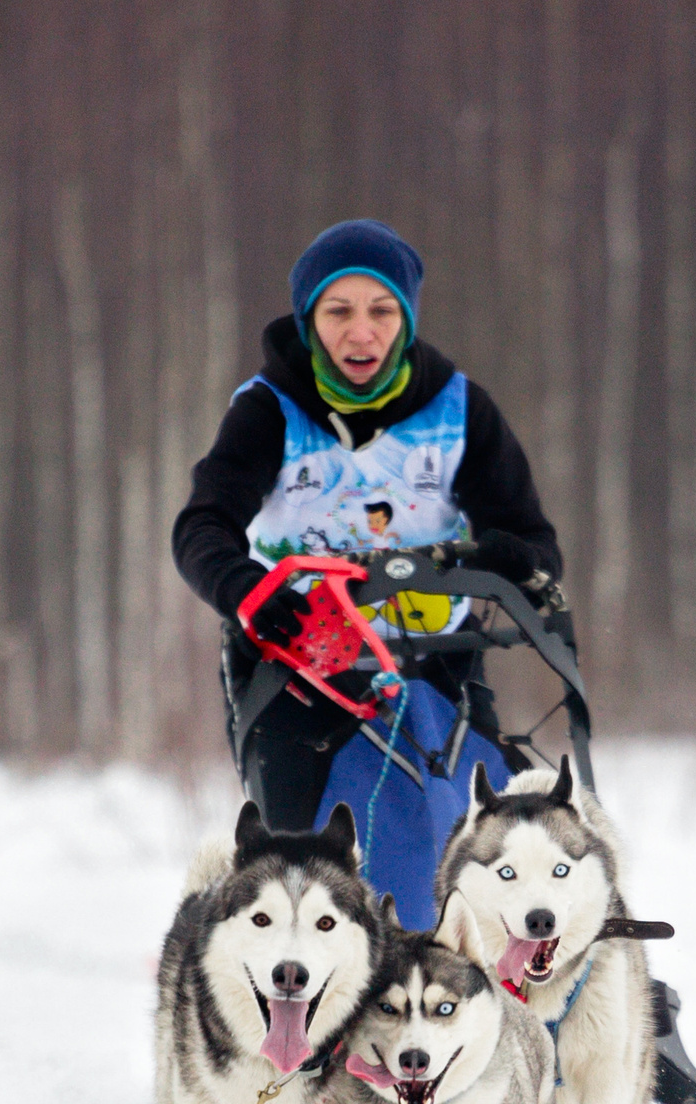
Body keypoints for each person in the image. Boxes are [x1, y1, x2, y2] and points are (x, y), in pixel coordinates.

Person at [172, 219, 564, 834]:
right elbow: (202, 527)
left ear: (407, 319)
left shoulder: (460, 410)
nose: (362, 332)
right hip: (297, 658)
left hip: (435, 660)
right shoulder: (269, 409)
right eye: (339, 311)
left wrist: (511, 563)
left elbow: (532, 545)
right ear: (308, 320)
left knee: (477, 852)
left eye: (382, 310)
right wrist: (247, 590)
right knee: (311, 860)